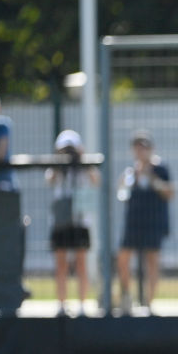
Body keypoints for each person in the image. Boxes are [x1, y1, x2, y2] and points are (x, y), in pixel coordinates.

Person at [116, 130, 173, 315]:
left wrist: (150, 176)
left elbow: (169, 193)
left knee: (152, 260)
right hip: (134, 221)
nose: (141, 151)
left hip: (153, 221)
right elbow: (121, 193)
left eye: (144, 147)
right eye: (137, 147)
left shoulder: (160, 169)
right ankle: (126, 297)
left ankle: (149, 302)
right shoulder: (130, 172)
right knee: (123, 257)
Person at [45, 130, 101, 317]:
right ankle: (61, 304)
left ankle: (82, 304)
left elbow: (96, 180)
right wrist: (60, 162)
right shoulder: (56, 168)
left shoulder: (85, 167)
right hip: (61, 219)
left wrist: (82, 160)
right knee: (60, 263)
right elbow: (50, 180)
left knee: (81, 263)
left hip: (80, 219)